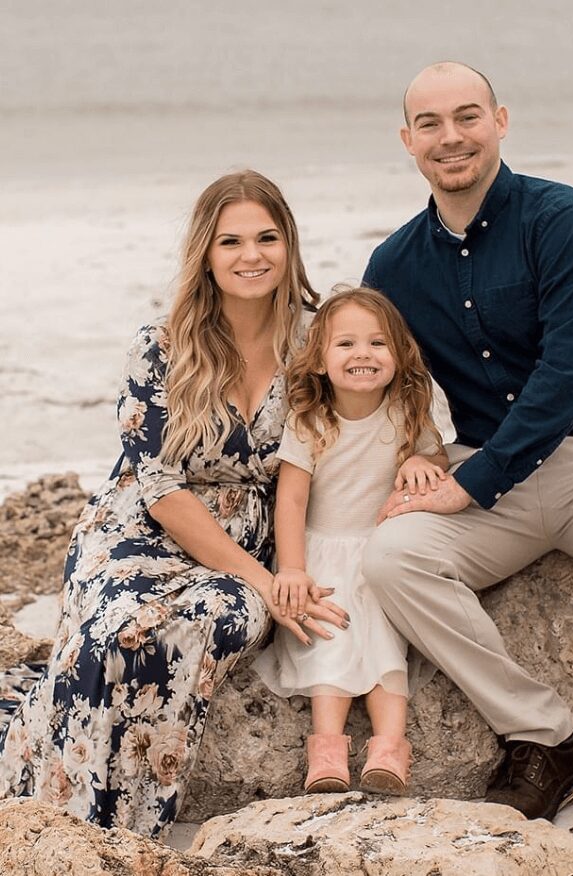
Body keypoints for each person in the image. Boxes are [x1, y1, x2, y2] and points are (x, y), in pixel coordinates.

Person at [360, 62, 573, 855]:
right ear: (406, 138)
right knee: (392, 557)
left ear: (500, 120)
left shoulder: (566, 220)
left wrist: (469, 483)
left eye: (466, 117)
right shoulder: (393, 266)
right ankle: (545, 738)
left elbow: (569, 371)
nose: (450, 137)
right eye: (430, 123)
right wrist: (419, 452)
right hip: (492, 475)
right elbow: (384, 379)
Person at [0, 169, 348, 838]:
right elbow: (159, 489)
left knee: (210, 622)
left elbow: (378, 406)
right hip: (137, 531)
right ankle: (74, 825)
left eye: (267, 237)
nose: (252, 255)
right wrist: (265, 581)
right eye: (232, 241)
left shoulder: (313, 344)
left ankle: (130, 831)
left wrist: (424, 459)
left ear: (290, 245)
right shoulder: (159, 346)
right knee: (112, 635)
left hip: (250, 544)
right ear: (206, 254)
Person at [253, 287, 447, 794]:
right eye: (346, 345)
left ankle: (388, 749)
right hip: (323, 554)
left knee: (385, 647)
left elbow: (438, 459)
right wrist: (292, 570)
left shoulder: (407, 411)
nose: (363, 354)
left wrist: (422, 461)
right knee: (331, 642)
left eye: (378, 342)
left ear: (401, 353)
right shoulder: (310, 421)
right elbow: (291, 502)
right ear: (318, 358)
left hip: (381, 553)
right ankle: (327, 752)